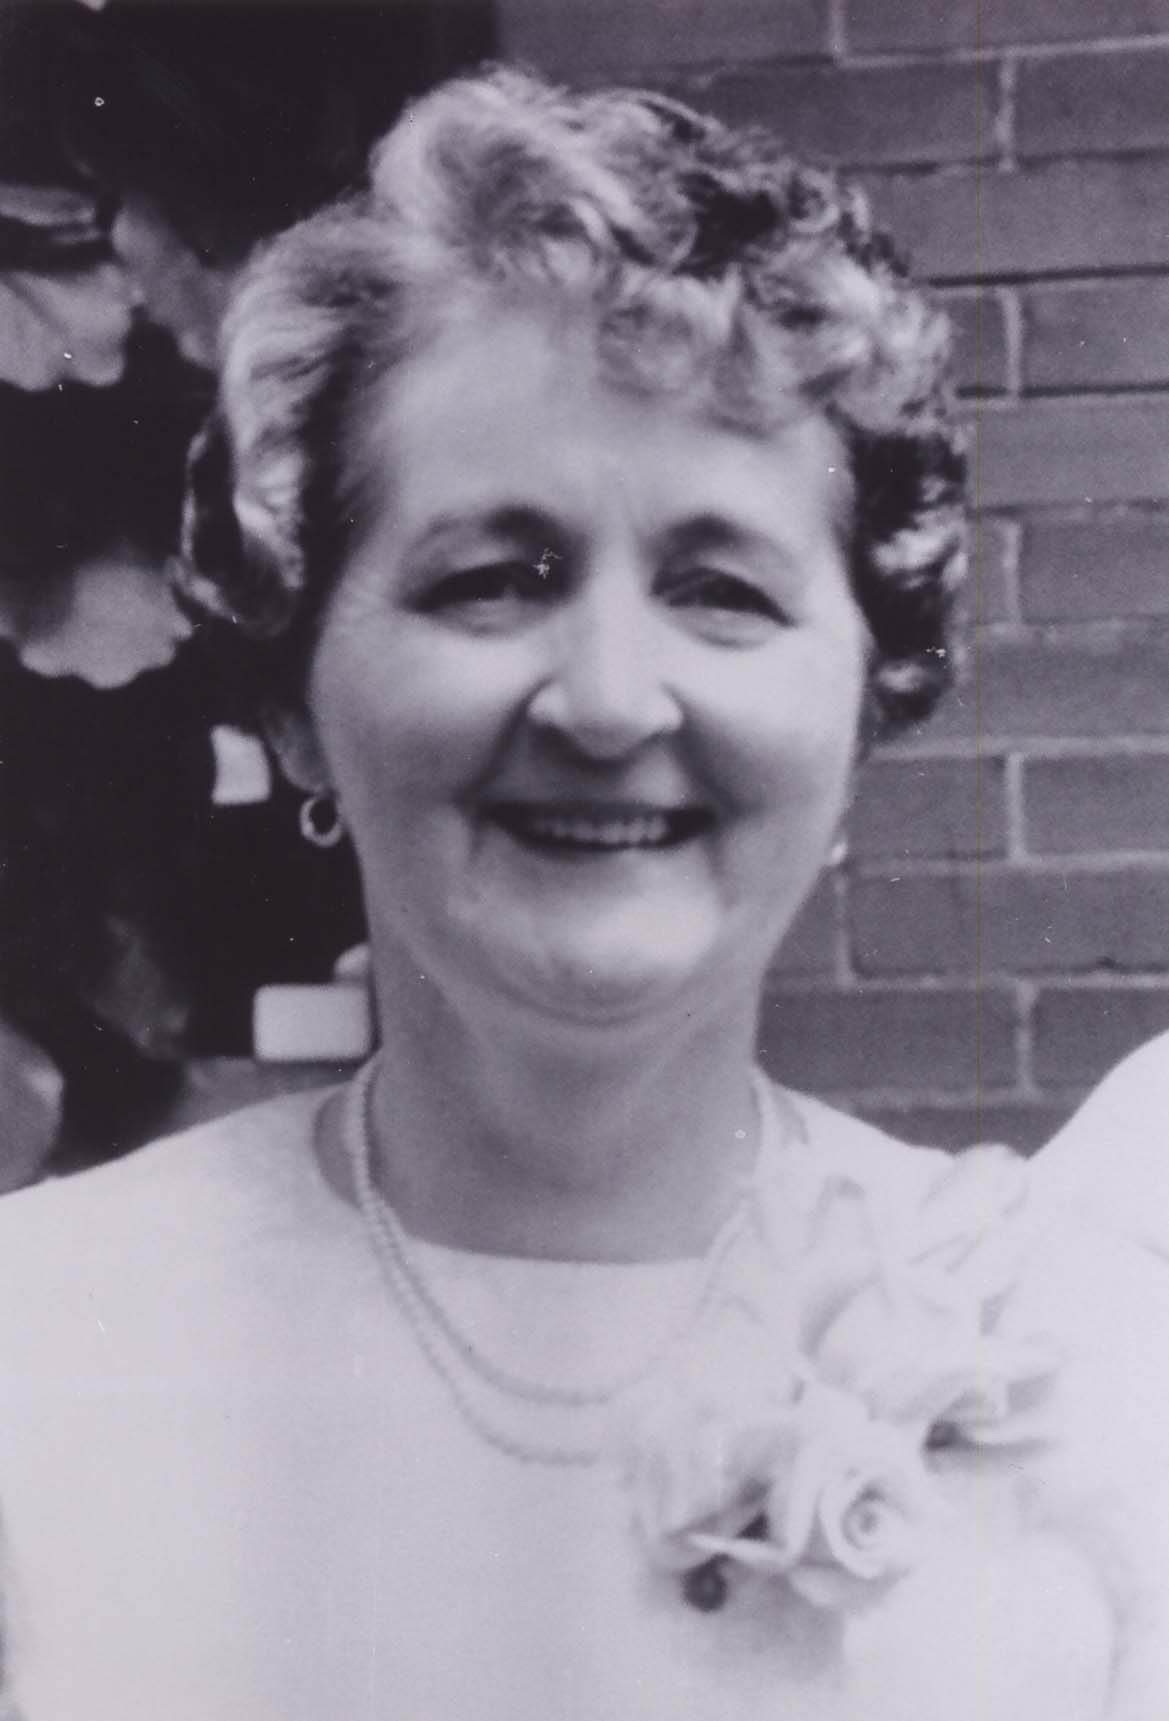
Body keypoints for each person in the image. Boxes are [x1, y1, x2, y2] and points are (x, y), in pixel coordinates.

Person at [0, 65, 1165, 1720]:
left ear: (863, 697)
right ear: (295, 690)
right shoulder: (42, 1355)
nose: (609, 701)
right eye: (494, 578)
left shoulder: (1087, 1370)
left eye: (721, 587)